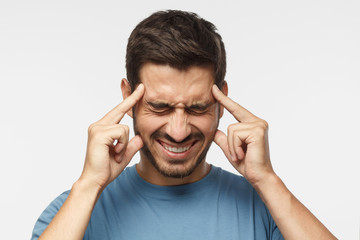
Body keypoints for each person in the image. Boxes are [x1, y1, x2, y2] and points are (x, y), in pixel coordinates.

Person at [31, 10, 336, 240]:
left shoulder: (267, 208)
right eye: (160, 107)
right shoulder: (73, 211)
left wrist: (267, 180)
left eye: (198, 107)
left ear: (221, 100)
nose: (178, 131)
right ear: (128, 97)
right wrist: (88, 186)